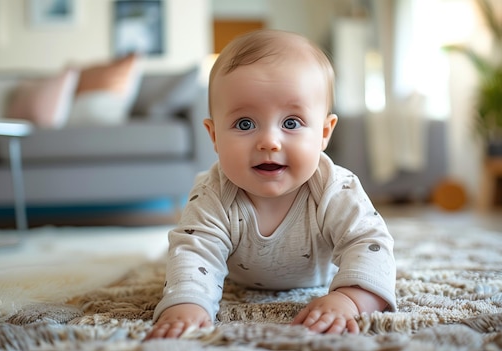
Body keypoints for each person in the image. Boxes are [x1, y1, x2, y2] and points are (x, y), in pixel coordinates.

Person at [146, 29, 396, 340]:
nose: (269, 142)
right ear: (213, 136)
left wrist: (350, 299)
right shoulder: (213, 193)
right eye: (245, 123)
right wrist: (187, 304)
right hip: (239, 280)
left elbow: (370, 244)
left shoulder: (335, 188)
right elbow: (194, 252)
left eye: (291, 123)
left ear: (323, 132)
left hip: (318, 278)